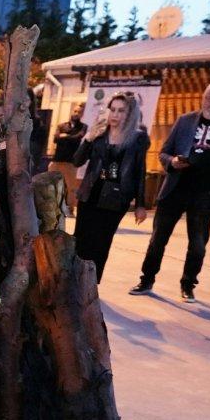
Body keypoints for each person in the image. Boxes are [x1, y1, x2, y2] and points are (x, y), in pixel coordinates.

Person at [131, 80, 210, 301]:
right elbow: (164, 152)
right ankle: (146, 280)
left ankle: (188, 284)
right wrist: (172, 161)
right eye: (209, 97)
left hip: (206, 193)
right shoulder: (185, 121)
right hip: (175, 189)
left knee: (197, 244)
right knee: (158, 239)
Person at [71, 93, 150, 281]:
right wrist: (88, 139)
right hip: (91, 192)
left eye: (121, 111)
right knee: (81, 239)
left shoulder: (138, 139)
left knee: (101, 241)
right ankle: (75, 280)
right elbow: (77, 161)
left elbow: (140, 171)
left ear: (130, 113)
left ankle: (91, 283)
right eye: (112, 109)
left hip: (116, 197)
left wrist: (140, 204)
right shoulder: (99, 134)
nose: (115, 115)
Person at [49, 102, 87, 214]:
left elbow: (77, 137)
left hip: (70, 162)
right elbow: (55, 139)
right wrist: (64, 137)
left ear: (82, 114)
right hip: (57, 159)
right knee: (52, 185)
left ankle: (70, 209)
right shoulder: (62, 125)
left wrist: (64, 136)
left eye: (79, 112)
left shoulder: (83, 127)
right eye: (75, 111)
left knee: (70, 187)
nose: (76, 113)